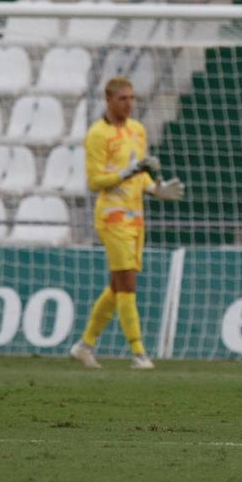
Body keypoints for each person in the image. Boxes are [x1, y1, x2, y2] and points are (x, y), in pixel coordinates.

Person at [69, 77, 186, 370]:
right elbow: (96, 181)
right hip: (112, 216)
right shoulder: (97, 135)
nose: (129, 103)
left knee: (117, 285)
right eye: (123, 98)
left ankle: (85, 345)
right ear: (108, 100)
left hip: (136, 217)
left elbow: (140, 173)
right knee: (128, 284)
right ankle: (139, 352)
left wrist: (155, 189)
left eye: (132, 98)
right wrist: (128, 171)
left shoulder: (138, 130)